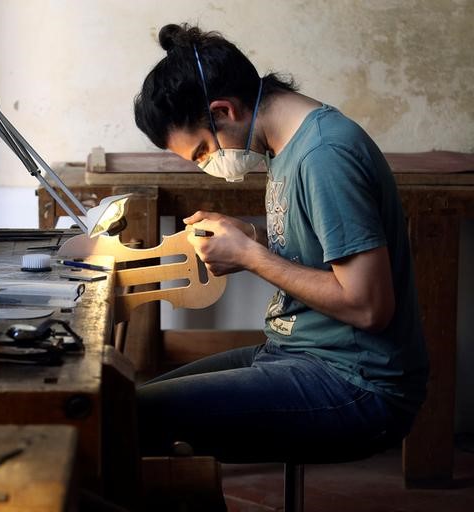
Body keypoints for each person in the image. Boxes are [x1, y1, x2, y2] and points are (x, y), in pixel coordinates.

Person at [132, 23, 428, 462]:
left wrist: (250, 256)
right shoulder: (287, 147)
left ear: (224, 111)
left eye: (201, 152)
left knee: (127, 421)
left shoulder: (323, 155)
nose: (207, 165)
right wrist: (251, 237)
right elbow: (321, 254)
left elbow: (369, 306)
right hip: (295, 353)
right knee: (122, 406)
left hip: (358, 382)